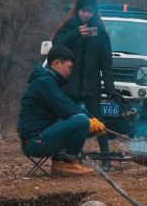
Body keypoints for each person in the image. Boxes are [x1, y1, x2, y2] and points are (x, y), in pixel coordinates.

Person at [17, 44, 106, 177]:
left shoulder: (46, 80)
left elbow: (68, 104)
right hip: (35, 143)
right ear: (57, 63)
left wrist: (92, 118)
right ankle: (70, 163)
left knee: (74, 118)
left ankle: (58, 165)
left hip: (35, 140)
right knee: (80, 121)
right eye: (69, 67)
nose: (70, 72)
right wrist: (87, 120)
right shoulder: (44, 82)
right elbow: (65, 108)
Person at [52, 0, 117, 170]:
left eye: (90, 11)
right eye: (83, 10)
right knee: (71, 120)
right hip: (69, 83)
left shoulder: (100, 32)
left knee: (98, 121)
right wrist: (74, 34)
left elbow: (106, 61)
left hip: (92, 83)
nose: (86, 14)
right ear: (77, 10)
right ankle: (70, 157)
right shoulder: (68, 27)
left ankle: (105, 158)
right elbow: (56, 47)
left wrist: (110, 86)